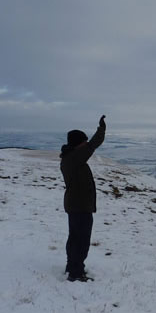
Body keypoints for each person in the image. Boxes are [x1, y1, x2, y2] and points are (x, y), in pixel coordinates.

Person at [60, 115, 106, 282]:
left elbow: (89, 146)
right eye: (83, 142)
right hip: (80, 206)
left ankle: (72, 267)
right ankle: (76, 273)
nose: (86, 144)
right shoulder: (74, 158)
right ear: (77, 143)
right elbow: (93, 145)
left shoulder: (70, 157)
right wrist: (101, 130)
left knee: (75, 238)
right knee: (81, 240)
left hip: (76, 205)